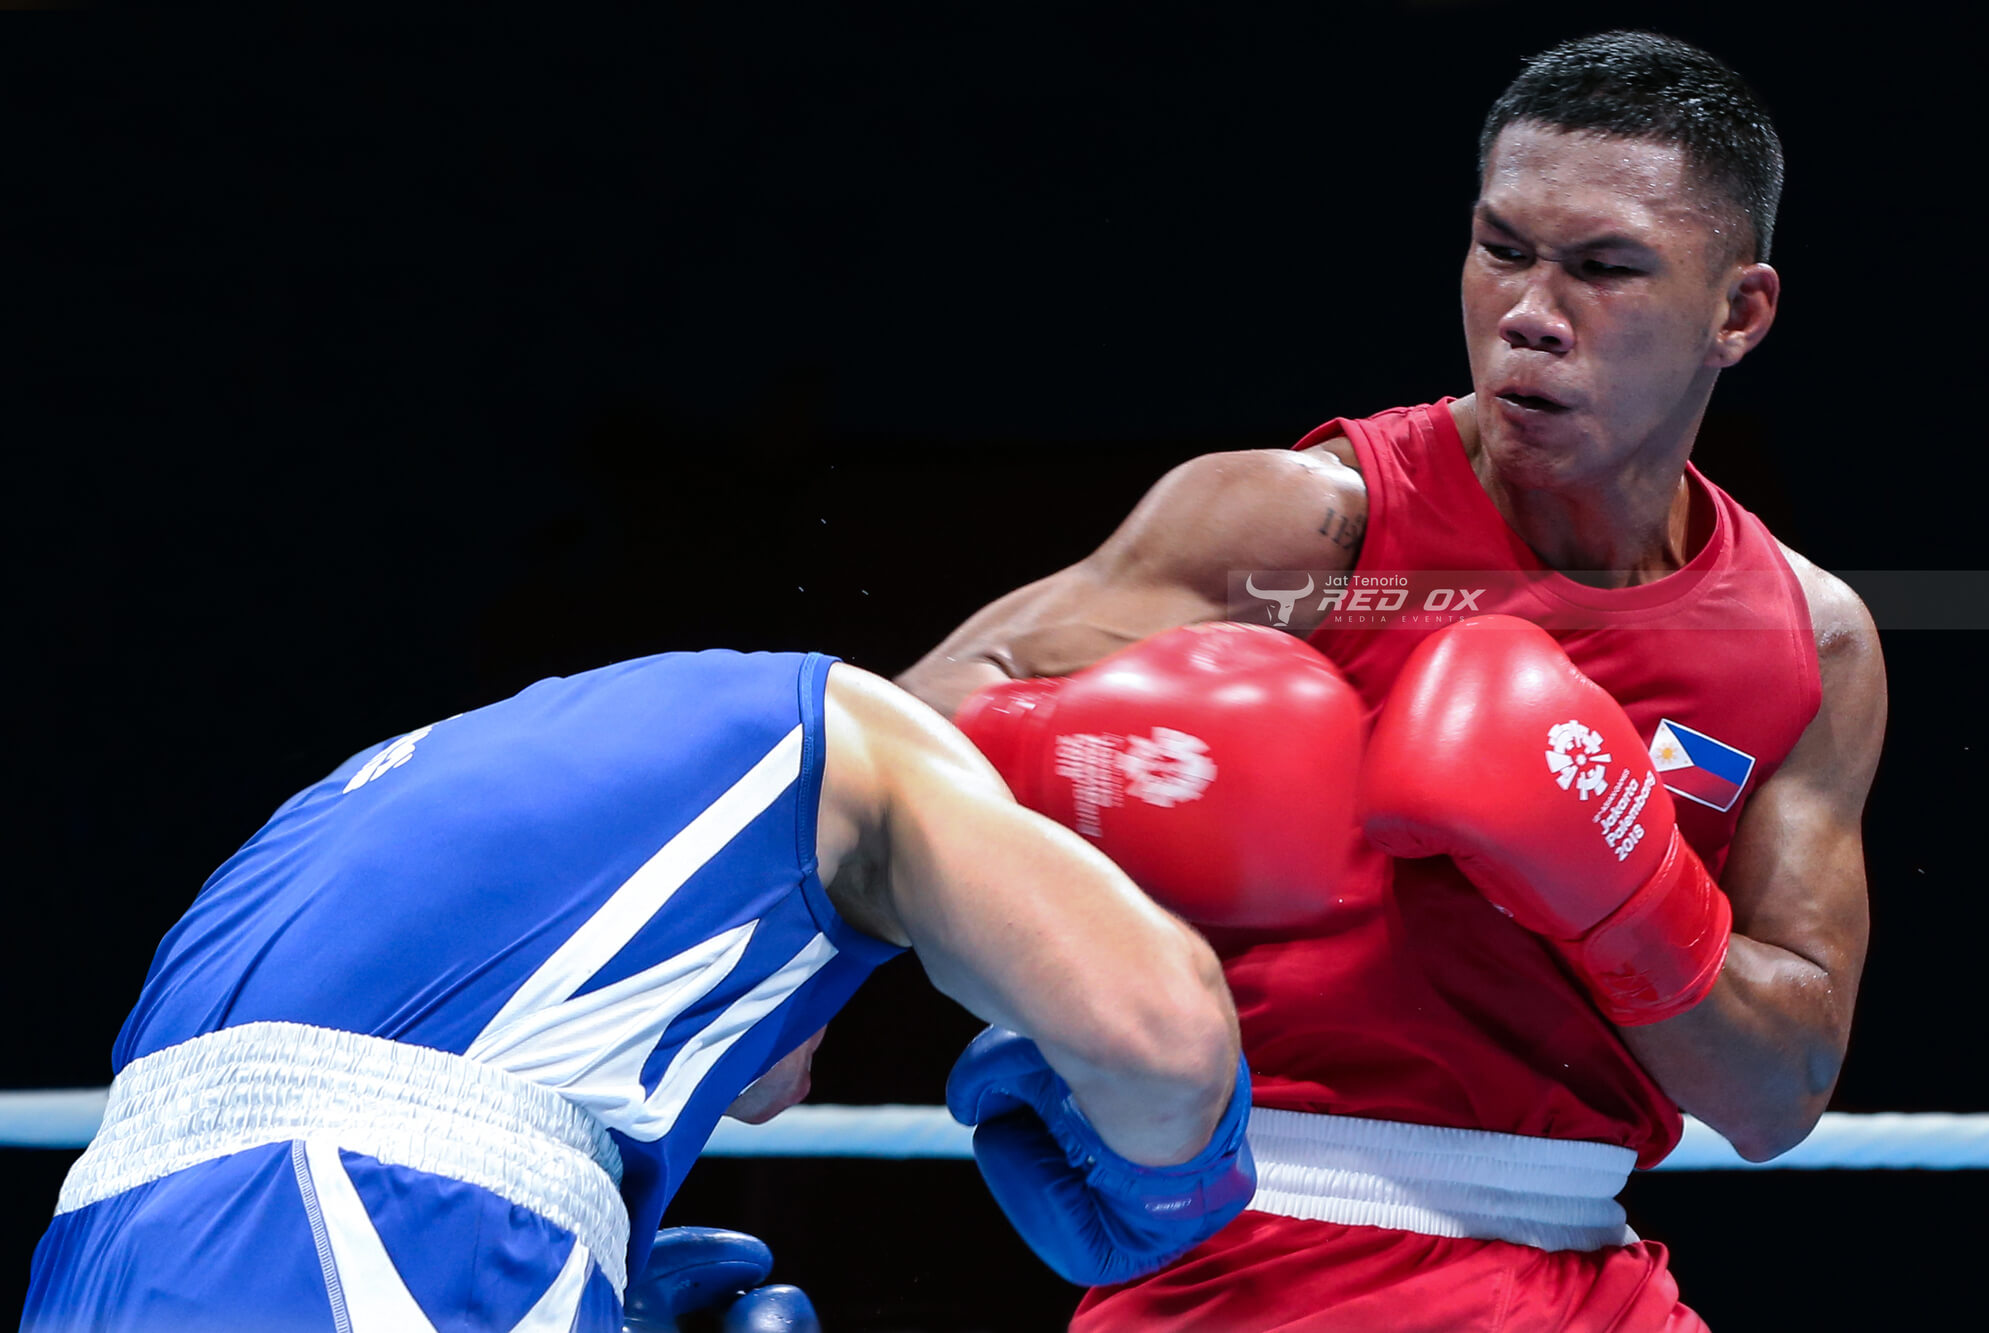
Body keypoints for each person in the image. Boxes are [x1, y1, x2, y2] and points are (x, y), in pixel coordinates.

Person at [897, 30, 1885, 1332]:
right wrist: (1088, 816)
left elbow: (1776, 1098)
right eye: (1502, 248)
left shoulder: (1806, 641)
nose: (1532, 311)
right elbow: (882, 748)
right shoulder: (1306, 531)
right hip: (1267, 1253)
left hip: (1597, 1267)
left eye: (1603, 268)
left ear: (1739, 313)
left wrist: (1620, 883)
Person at [21, 647, 1263, 1332]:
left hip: (93, 1254)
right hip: (376, 1224)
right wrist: (1178, 1181)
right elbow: (1159, 1035)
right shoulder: (879, 749)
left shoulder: (418, 782)